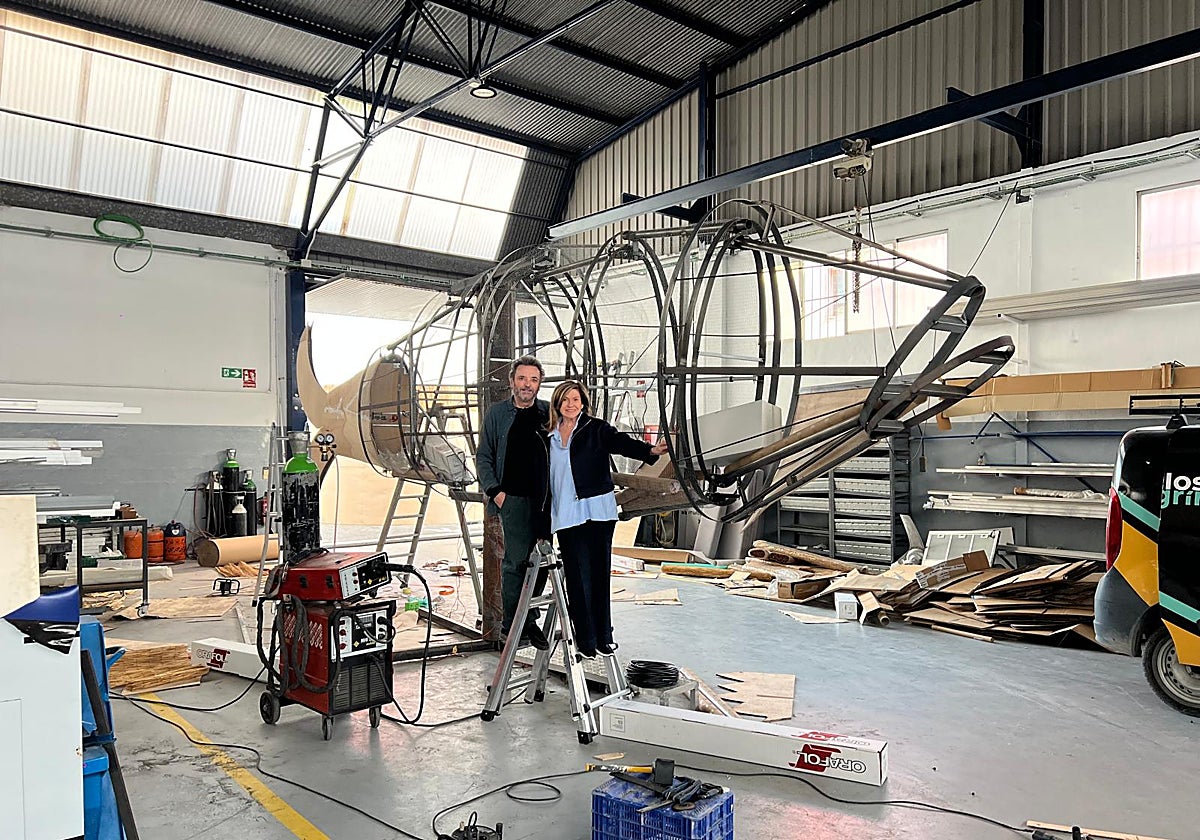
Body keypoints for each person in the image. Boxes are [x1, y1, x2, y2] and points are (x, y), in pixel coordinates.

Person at [546, 380, 668, 657]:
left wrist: (650, 451)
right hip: (565, 513)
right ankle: (586, 639)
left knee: (599, 573)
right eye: (566, 399)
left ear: (583, 403)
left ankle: (604, 636)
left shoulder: (596, 429)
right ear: (557, 402)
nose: (571, 404)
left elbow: (620, 443)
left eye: (576, 399)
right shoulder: (548, 435)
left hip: (597, 510)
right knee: (577, 578)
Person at [476, 355, 551, 650]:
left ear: (539, 384)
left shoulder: (548, 412)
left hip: (544, 500)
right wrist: (495, 491)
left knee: (544, 561)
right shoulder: (498, 414)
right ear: (511, 381)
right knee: (515, 563)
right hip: (513, 500)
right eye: (522, 379)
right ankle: (512, 624)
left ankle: (529, 618)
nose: (527, 385)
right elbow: (484, 455)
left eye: (533, 380)